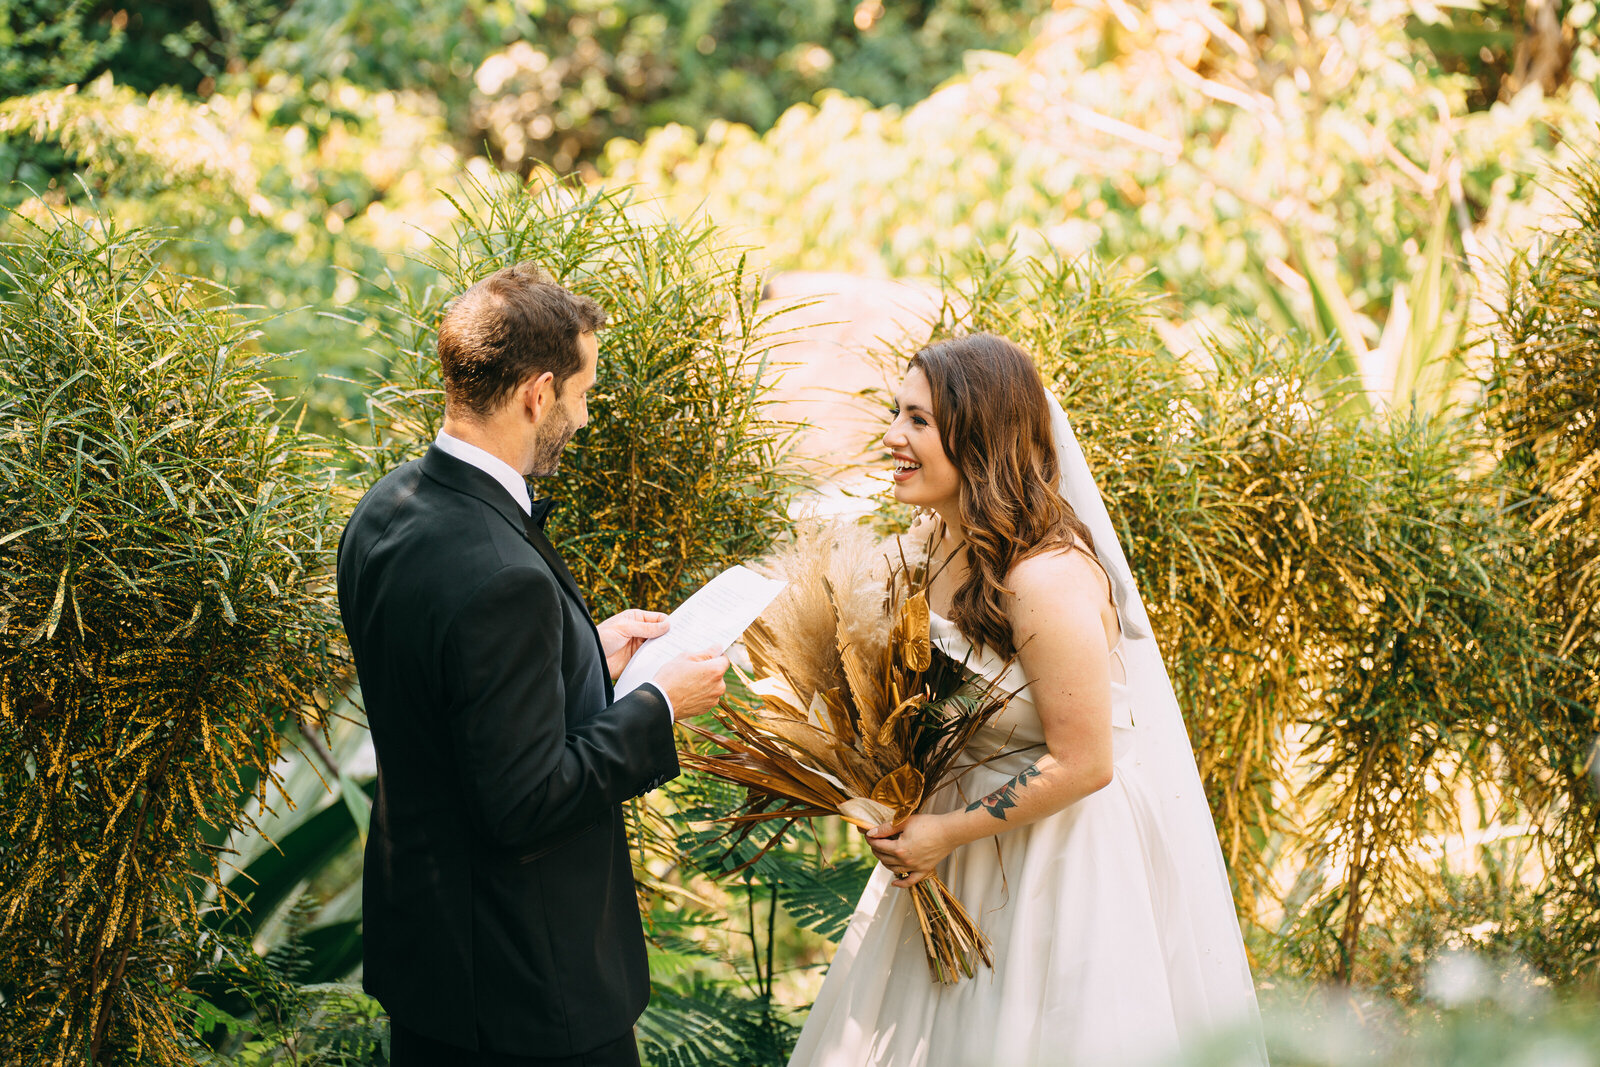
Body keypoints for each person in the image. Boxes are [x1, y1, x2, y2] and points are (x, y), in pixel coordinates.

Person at [787, 334, 1266, 1066]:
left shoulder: (1046, 578)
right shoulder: (932, 543)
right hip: (949, 843)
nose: (893, 437)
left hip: (1057, 855)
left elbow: (1086, 763)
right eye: (897, 414)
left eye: (919, 421)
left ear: (978, 437)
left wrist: (946, 832)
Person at [336, 263, 729, 1067]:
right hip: (525, 991)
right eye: (582, 395)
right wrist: (658, 703)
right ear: (537, 394)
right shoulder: (501, 573)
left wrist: (586, 649)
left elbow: (450, 706)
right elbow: (523, 800)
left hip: (432, 965)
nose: (582, 418)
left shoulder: (386, 509)